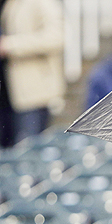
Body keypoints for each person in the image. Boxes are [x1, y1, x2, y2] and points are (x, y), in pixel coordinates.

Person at [0, 0, 65, 147]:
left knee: (27, 151)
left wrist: (9, 45)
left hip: (31, 96)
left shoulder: (42, 3)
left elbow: (56, 37)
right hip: (8, 94)